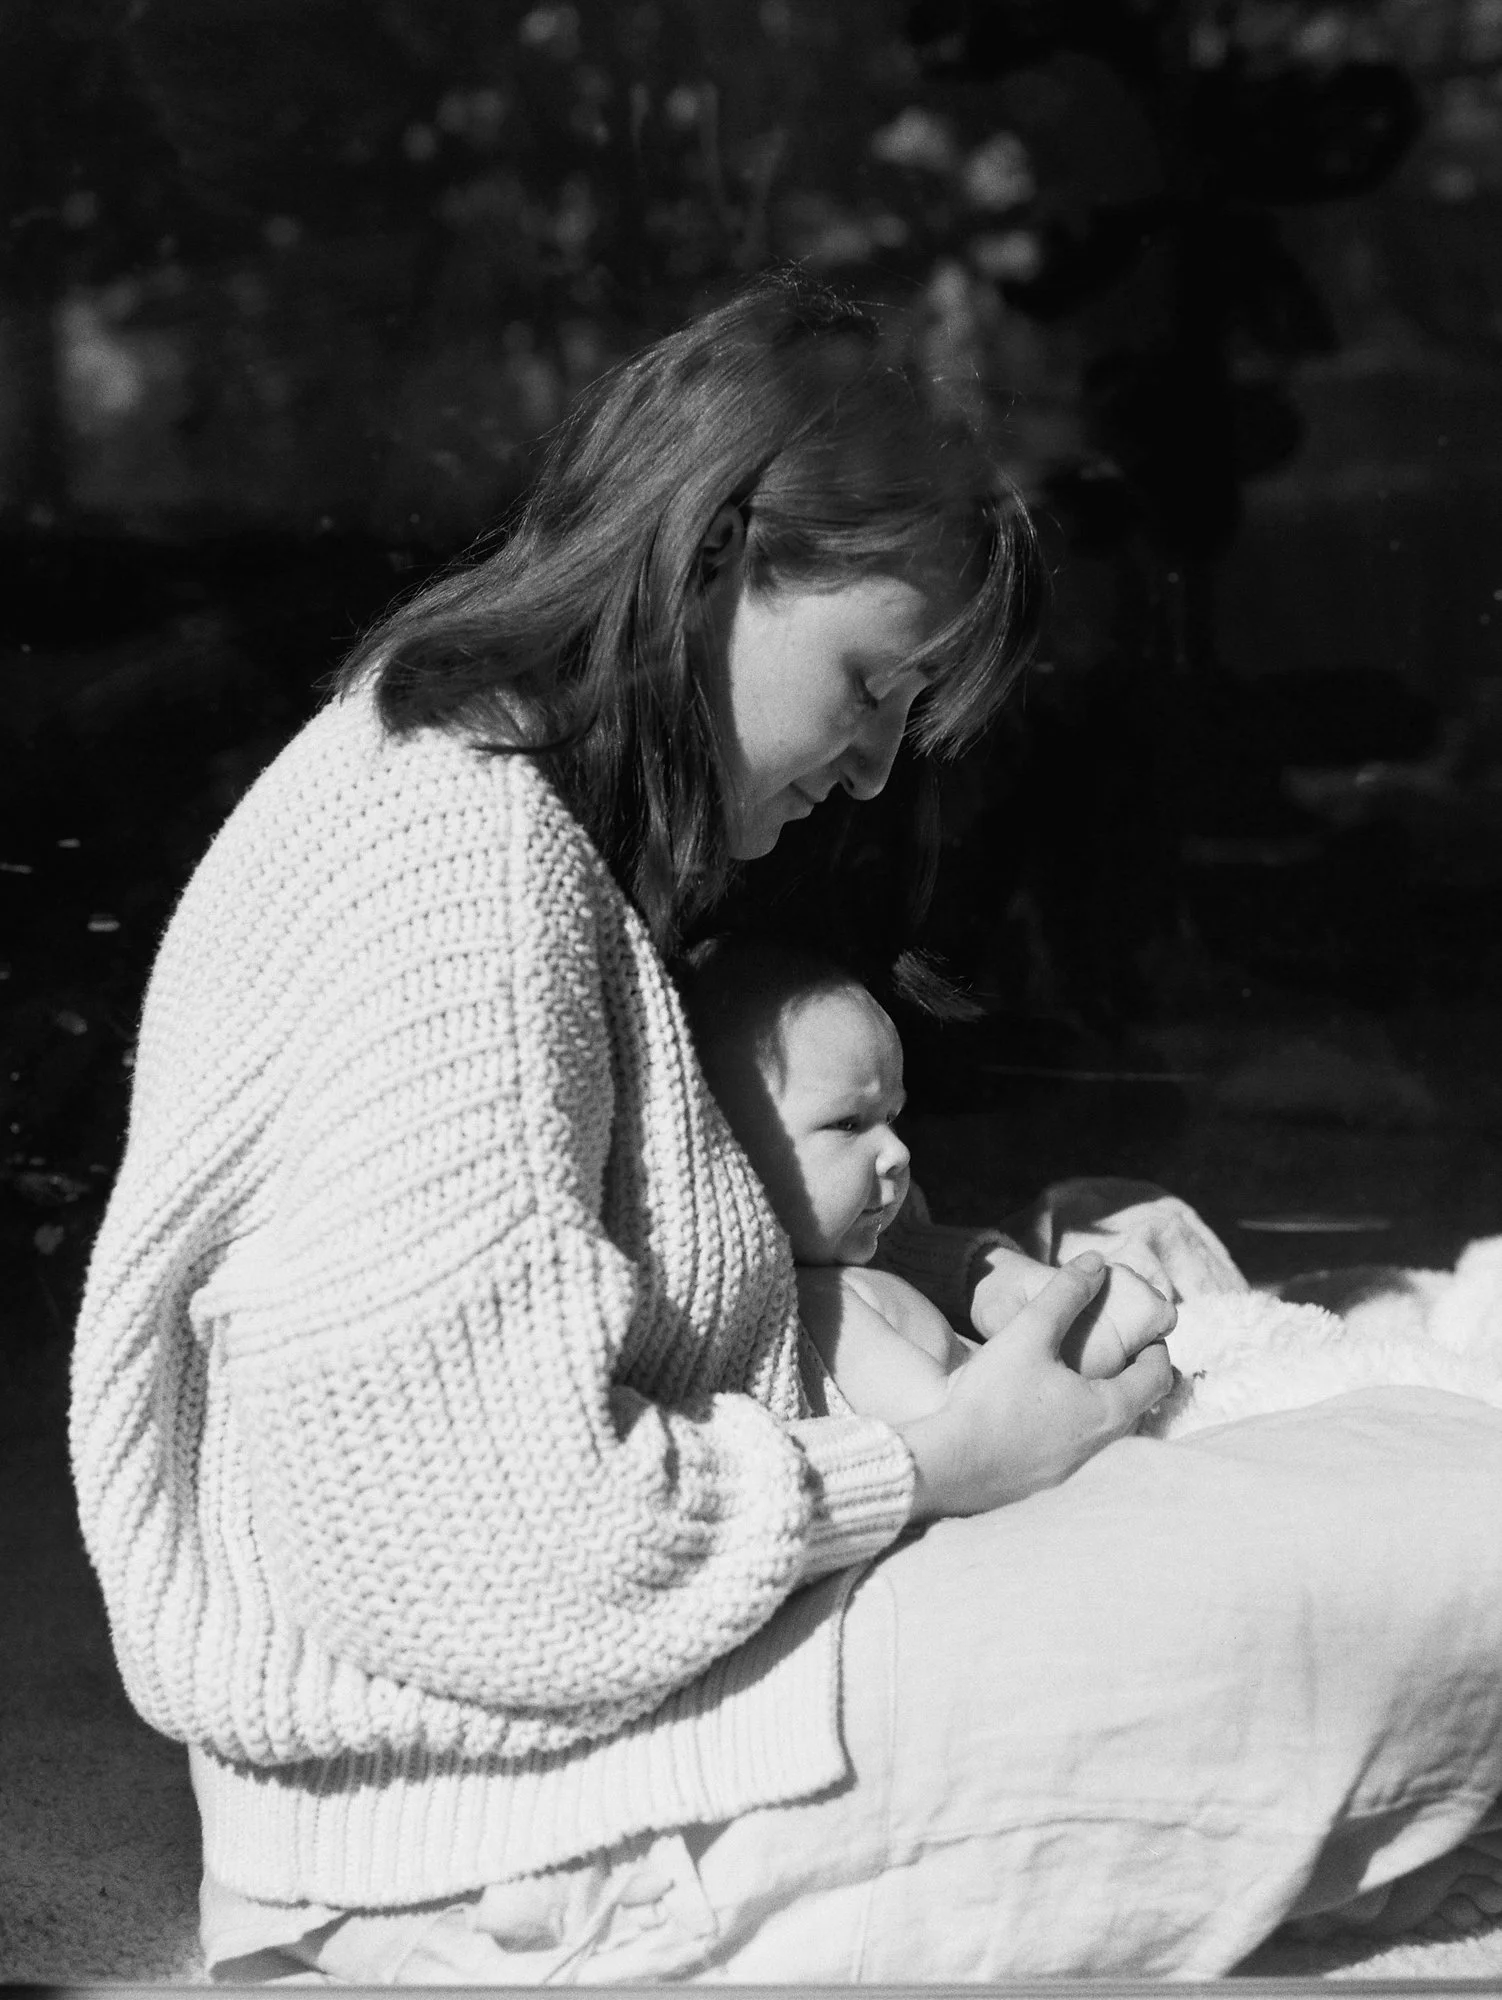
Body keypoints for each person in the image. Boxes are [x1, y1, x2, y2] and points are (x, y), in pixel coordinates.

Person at [70, 273, 1502, 1983]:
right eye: (873, 684)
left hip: (596, 1726)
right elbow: (495, 1555)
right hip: (509, 1820)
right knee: (1445, 1567)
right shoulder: (445, 868)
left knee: (1418, 1484)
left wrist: (953, 1276)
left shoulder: (500, 820)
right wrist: (943, 1463)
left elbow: (612, 1310)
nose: (881, 769)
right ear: (720, 561)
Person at [679, 935, 1175, 1426]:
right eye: (848, 1124)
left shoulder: (843, 1272)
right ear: (725, 1151)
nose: (898, 1151)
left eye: (892, 1117)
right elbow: (963, 1429)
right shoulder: (822, 1313)